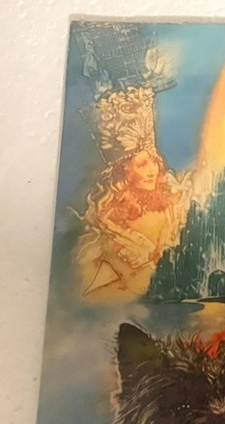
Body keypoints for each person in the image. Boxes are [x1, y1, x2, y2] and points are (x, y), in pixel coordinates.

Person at [77, 86, 192, 301]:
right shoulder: (109, 226)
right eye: (142, 165)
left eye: (154, 162)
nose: (152, 171)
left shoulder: (175, 205)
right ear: (124, 172)